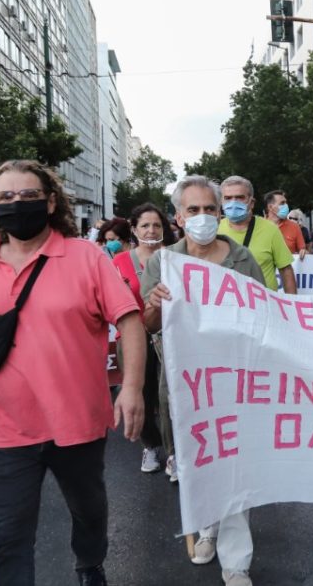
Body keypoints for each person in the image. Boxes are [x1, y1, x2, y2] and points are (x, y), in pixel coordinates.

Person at [0, 159, 145, 586]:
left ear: (51, 202)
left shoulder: (86, 256)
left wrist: (131, 388)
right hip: (6, 428)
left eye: (29, 196)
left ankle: (89, 565)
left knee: (89, 511)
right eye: (6, 198)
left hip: (78, 422)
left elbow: (129, 319)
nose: (18, 204)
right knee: (8, 537)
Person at [142, 175, 265, 586]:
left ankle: (236, 562)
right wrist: (155, 303)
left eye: (209, 209)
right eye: (192, 210)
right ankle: (206, 526)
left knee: (234, 466)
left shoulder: (241, 259)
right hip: (186, 387)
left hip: (235, 382)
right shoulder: (163, 262)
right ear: (178, 217)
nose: (203, 217)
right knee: (198, 464)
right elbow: (148, 323)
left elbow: (264, 317)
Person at [112, 203, 177, 477]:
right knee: (142, 393)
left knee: (170, 398)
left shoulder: (175, 259)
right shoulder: (120, 262)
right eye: (145, 225)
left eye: (157, 225)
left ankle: (174, 454)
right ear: (134, 229)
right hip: (132, 337)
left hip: (168, 335)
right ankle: (150, 445)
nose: (151, 230)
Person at [217, 176, 296, 294]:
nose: (233, 202)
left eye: (239, 197)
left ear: (252, 203)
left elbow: (286, 270)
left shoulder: (270, 230)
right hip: (226, 306)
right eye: (228, 198)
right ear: (221, 202)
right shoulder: (215, 229)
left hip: (263, 306)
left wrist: (292, 306)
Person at [264, 190, 307, 260]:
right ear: (270, 207)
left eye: (286, 202)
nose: (286, 206)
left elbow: (303, 250)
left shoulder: (294, 227)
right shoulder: (258, 227)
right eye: (282, 203)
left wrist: (304, 252)